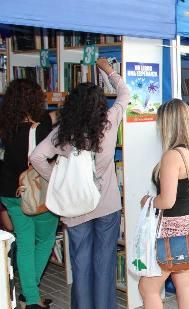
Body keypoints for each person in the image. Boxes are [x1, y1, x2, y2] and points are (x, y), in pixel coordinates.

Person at [30, 58, 129, 309]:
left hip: (75, 208)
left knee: (81, 265)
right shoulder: (108, 123)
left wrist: (57, 179)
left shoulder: (63, 132)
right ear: (99, 105)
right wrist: (109, 71)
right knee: (104, 264)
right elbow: (125, 93)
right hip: (106, 207)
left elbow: (36, 157)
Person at [138, 99, 189, 309]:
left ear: (169, 123)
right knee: (184, 282)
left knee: (147, 288)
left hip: (174, 230)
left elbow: (167, 200)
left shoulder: (171, 156)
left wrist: (148, 201)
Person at [0, 79, 58, 309]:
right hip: (35, 193)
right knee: (45, 239)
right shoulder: (41, 126)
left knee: (24, 243)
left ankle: (30, 297)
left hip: (9, 192)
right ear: (35, 100)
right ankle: (30, 295)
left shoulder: (5, 126)